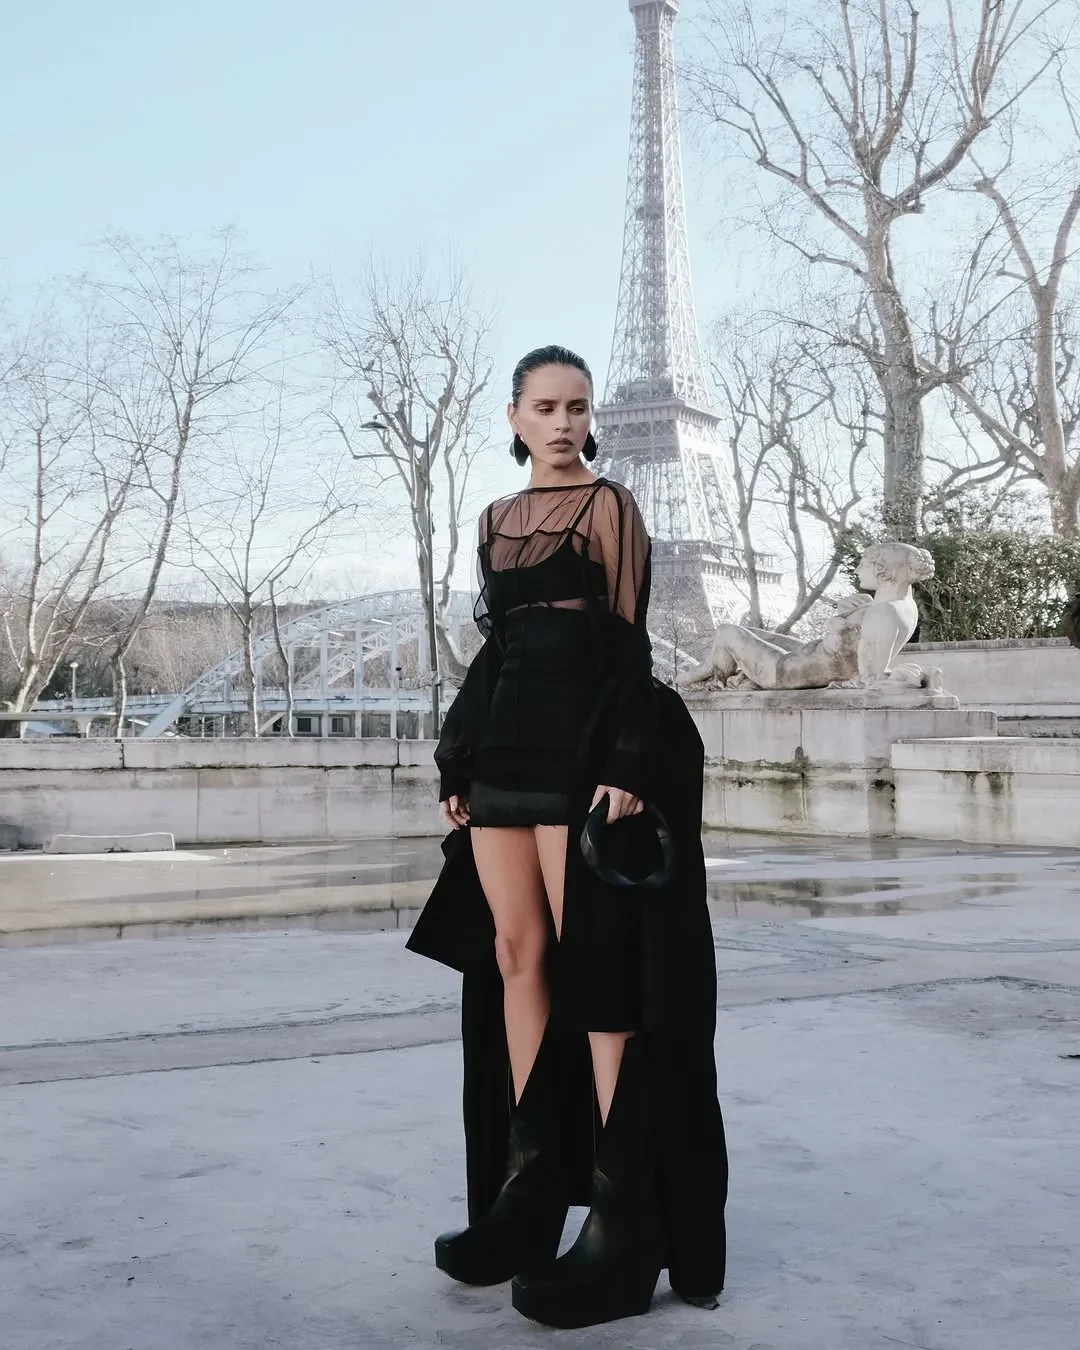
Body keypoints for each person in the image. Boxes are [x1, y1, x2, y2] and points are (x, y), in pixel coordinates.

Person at [406, 345, 728, 1330]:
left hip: (577, 742)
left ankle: (622, 1216)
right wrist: (457, 759)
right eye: (544, 407)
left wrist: (627, 759)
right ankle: (528, 1187)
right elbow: (495, 650)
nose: (562, 422)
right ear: (514, 417)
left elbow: (627, 642)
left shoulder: (609, 507)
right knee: (515, 956)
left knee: (593, 966)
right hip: (504, 745)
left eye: (576, 407)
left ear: (591, 418)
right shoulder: (492, 520)